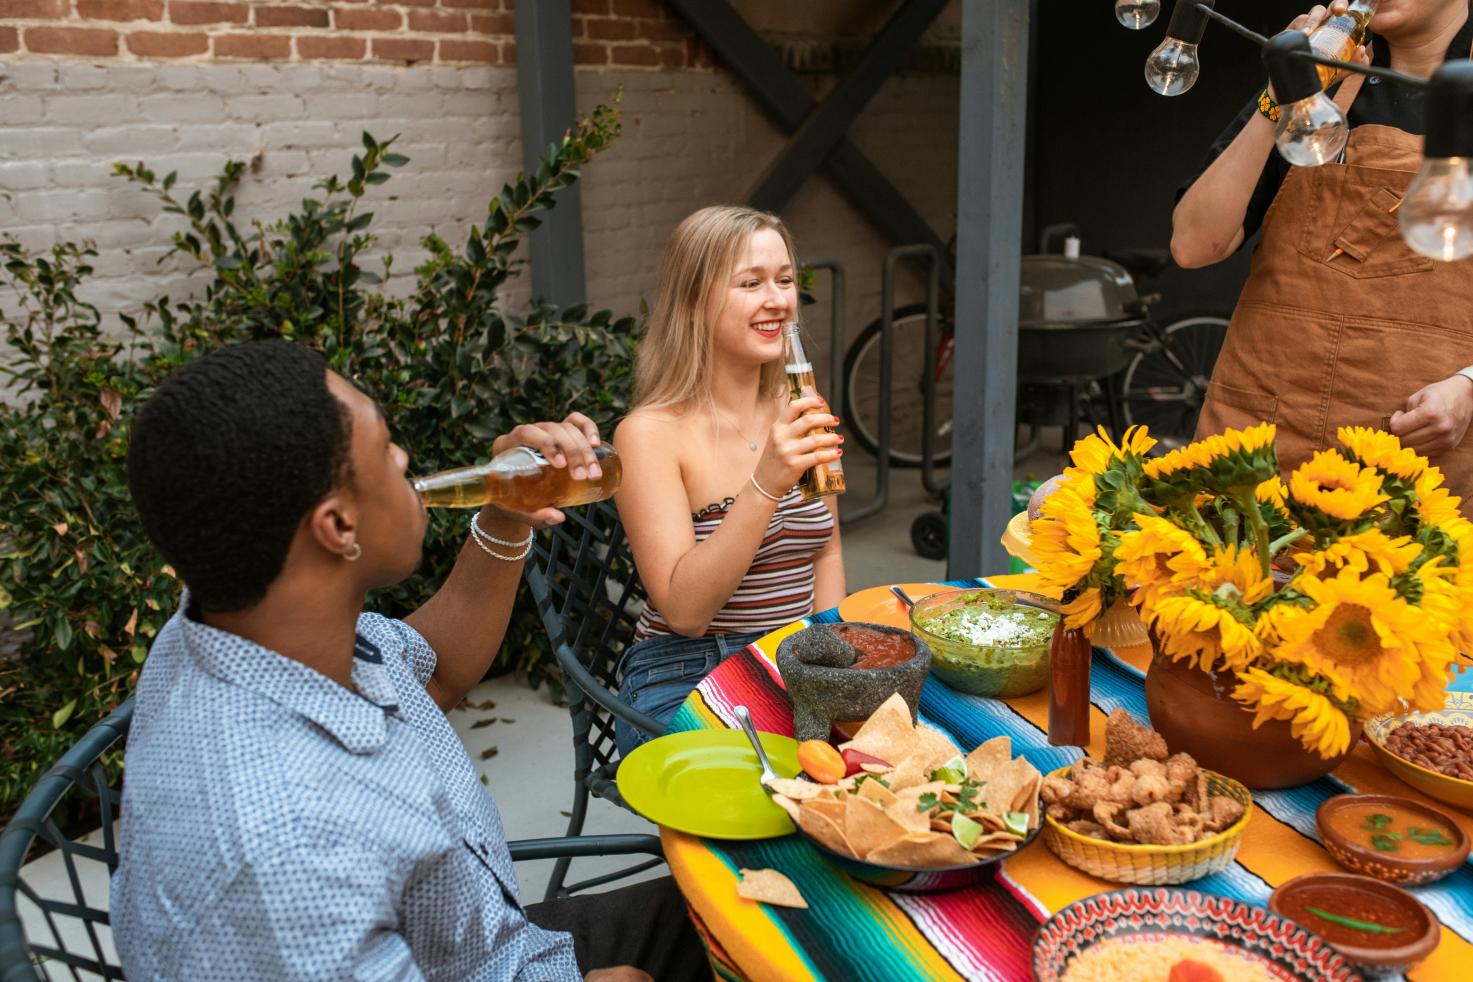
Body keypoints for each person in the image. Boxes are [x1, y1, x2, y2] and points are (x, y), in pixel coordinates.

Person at [112, 340, 707, 981]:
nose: (405, 459)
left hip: (496, 945)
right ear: (338, 527)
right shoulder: (283, 853)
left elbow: (439, 667)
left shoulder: (245, 622)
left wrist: (506, 518)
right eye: (386, 448)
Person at [1173, 0, 1473, 506]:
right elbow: (1194, 245)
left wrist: (1470, 386)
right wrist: (1279, 93)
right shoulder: (1317, 80)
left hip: (1410, 472)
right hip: (1257, 451)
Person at [613, 206, 846, 754]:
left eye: (785, 280)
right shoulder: (648, 435)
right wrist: (766, 482)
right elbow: (685, 613)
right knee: (791, 784)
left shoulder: (802, 404)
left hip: (794, 658)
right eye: (751, 283)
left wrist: (829, 648)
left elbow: (827, 552)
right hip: (687, 671)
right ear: (695, 302)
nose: (778, 299)